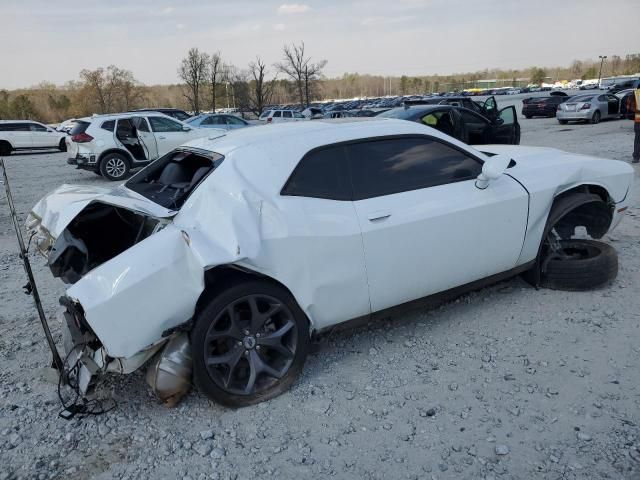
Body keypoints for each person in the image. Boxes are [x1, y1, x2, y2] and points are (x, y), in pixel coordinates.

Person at [632, 85, 640, 163]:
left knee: (637, 140)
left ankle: (636, 157)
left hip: (638, 121)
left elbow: (630, 106)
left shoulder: (635, 94)